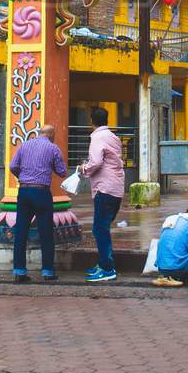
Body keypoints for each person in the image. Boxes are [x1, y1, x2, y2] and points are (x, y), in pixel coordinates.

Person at [8, 131, 67, 282]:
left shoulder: (24, 145)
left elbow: (13, 166)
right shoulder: (53, 148)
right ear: (52, 135)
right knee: (46, 232)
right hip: (41, 192)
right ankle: (47, 271)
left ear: (40, 133)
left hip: (24, 190)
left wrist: (22, 176)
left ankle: (19, 271)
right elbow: (62, 172)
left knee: (21, 231)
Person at [78, 110, 125, 283]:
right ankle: (104, 263)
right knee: (103, 228)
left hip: (104, 188)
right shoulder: (113, 137)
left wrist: (83, 168)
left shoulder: (97, 137)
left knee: (99, 229)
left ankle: (107, 268)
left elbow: (96, 162)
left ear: (92, 121)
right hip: (116, 188)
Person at [153, 204, 188, 287]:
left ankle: (168, 274)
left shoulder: (170, 219)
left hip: (161, 269)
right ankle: (187, 272)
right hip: (179, 271)